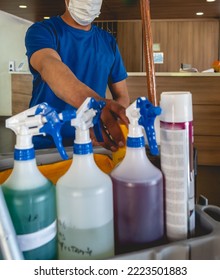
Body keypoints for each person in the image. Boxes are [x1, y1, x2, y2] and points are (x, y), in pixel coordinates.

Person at [25, 0, 130, 151]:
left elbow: (122, 95)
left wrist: (108, 122)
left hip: (94, 142)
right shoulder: (43, 31)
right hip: (47, 142)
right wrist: (96, 104)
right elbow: (50, 66)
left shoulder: (108, 42)